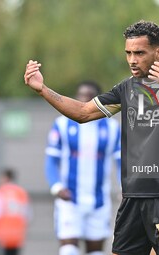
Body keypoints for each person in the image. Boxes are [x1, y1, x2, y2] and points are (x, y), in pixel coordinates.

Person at [24, 20, 159, 255]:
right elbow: (83, 112)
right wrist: (43, 90)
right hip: (132, 197)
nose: (132, 60)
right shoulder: (125, 89)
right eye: (128, 53)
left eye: (139, 53)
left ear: (158, 52)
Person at [45, 80, 121, 255]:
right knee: (68, 250)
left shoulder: (112, 128)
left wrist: (124, 187)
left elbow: (120, 161)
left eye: (89, 96)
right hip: (70, 199)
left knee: (95, 252)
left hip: (99, 200)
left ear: (98, 100)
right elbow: (51, 160)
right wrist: (56, 186)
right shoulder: (62, 124)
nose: (84, 100)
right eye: (81, 96)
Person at [0, 168, 31, 255]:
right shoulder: (21, 192)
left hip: (1, 235)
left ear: (5, 178)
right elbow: (27, 214)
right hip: (17, 235)